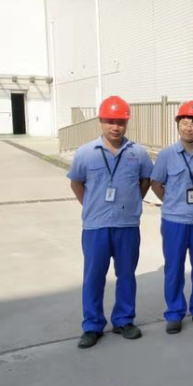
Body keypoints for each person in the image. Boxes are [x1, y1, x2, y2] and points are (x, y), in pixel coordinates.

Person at [67, 96, 153, 349]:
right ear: (101, 121)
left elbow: (145, 180)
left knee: (126, 275)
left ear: (127, 123)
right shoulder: (85, 153)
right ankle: (92, 325)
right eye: (110, 122)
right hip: (96, 226)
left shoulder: (138, 153)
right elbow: (76, 183)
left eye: (121, 122)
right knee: (94, 276)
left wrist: (133, 202)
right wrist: (91, 206)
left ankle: (124, 320)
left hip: (127, 225)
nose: (116, 127)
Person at [150, 101, 193, 334]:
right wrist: (172, 201)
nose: (189, 127)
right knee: (174, 267)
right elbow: (156, 184)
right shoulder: (166, 155)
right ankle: (175, 312)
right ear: (178, 125)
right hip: (174, 220)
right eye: (185, 122)